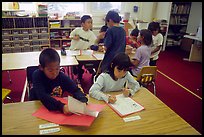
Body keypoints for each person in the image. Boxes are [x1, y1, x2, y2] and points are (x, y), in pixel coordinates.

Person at [29, 48, 88, 115]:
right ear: (41, 67)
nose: (54, 73)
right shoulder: (37, 75)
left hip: (55, 110)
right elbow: (43, 96)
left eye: (57, 69)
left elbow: (75, 89)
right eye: (50, 70)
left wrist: (82, 100)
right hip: (38, 107)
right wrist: (62, 107)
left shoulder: (60, 76)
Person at [69, 15, 97, 81]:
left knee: (82, 63)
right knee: (75, 65)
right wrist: (74, 37)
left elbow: (94, 43)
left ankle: (81, 75)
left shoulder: (91, 34)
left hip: (83, 52)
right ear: (82, 24)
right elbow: (70, 36)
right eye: (88, 22)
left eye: (91, 22)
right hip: (74, 51)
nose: (90, 24)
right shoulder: (77, 30)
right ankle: (76, 70)